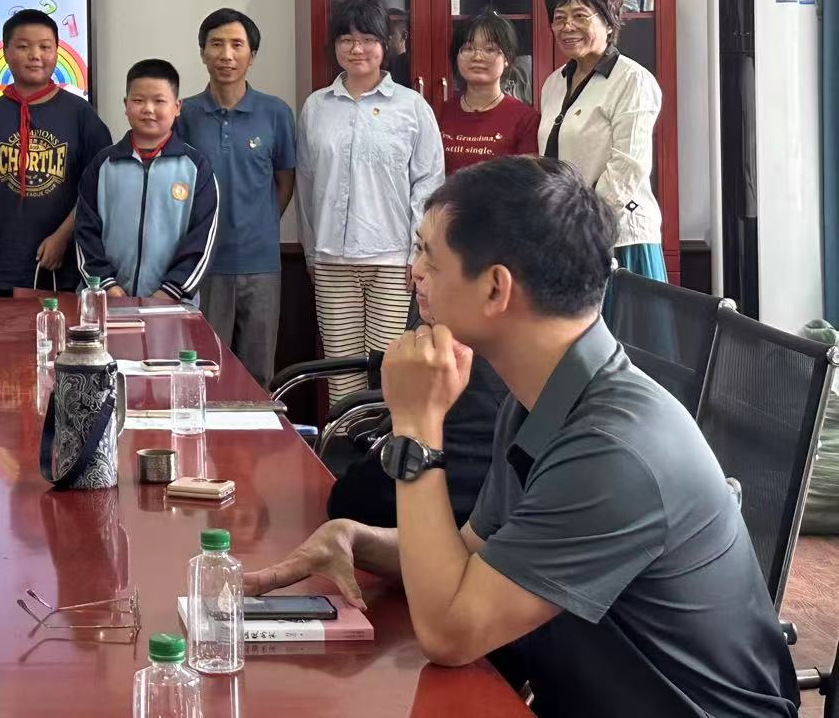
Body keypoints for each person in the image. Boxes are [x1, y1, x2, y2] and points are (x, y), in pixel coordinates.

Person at [246, 157, 799, 717]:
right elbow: (472, 554)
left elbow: (450, 632)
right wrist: (357, 538)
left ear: (495, 288)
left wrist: (417, 428)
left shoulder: (612, 449)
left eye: (428, 256)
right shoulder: (541, 397)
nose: (414, 273)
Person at [297, 0, 444, 398]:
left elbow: (428, 185)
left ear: (385, 44)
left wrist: (418, 253)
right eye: (346, 39)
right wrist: (311, 253)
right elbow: (307, 185)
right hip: (332, 262)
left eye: (367, 39)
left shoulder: (412, 107)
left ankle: (386, 443)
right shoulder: (316, 107)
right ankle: (343, 442)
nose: (357, 48)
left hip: (393, 261)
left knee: (388, 375)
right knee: (341, 375)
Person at [173, 8, 295, 386]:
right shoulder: (184, 114)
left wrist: (258, 225)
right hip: (202, 266)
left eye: (237, 45)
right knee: (204, 373)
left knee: (258, 374)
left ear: (251, 55)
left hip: (261, 265)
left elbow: (284, 183)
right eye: (216, 44)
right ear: (202, 52)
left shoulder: (276, 113)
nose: (226, 55)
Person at [0, 9, 112, 297]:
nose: (35, 55)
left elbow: (98, 189)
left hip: (59, 265)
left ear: (57, 52)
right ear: (6, 52)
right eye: (23, 46)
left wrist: (62, 237)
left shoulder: (80, 114)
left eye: (45, 47)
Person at [538, 0, 665, 284]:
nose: (567, 27)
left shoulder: (632, 79)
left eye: (580, 16)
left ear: (609, 23)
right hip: (565, 233)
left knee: (623, 317)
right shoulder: (554, 83)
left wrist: (584, 222)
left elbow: (628, 166)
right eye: (559, 18)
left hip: (618, 235)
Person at [75, 58, 218, 302]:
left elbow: (202, 240)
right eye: (139, 100)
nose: (148, 109)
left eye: (159, 101)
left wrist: (168, 293)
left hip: (173, 303)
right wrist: (108, 287)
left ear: (177, 107)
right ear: (126, 105)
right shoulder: (103, 164)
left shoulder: (196, 168)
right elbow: (85, 232)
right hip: (106, 300)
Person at [438, 10, 540, 177]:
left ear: (507, 59)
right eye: (468, 48)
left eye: (490, 49)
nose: (477, 57)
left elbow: (526, 182)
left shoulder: (526, 120)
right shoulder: (440, 112)